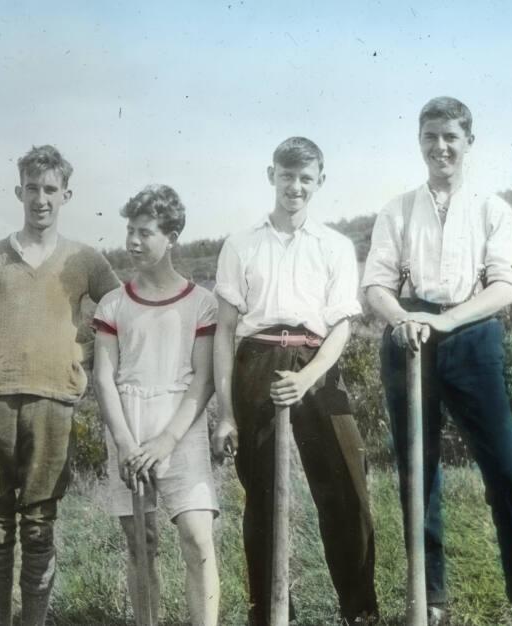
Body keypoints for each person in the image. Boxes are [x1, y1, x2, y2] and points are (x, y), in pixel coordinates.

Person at [362, 96, 512, 626]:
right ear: (419, 141)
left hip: (472, 338)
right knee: (419, 472)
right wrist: (402, 319)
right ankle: (429, 600)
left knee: (506, 468)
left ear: (468, 142)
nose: (440, 147)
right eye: (430, 136)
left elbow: (507, 285)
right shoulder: (396, 209)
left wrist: (447, 320)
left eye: (450, 137)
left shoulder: (491, 208)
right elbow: (375, 284)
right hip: (408, 337)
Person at [0, 144, 119, 626]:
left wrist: (82, 354)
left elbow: (124, 314)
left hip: (52, 404)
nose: (41, 199)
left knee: (40, 527)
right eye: (33, 189)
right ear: (19, 191)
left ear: (67, 195)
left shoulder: (86, 260)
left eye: (51, 190)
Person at [212, 137, 379, 626]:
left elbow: (342, 324)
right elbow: (224, 330)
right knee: (261, 496)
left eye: (306, 178)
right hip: (257, 361)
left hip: (316, 361)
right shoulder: (240, 244)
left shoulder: (335, 246)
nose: (296, 187)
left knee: (348, 486)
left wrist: (307, 377)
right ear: (272, 176)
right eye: (287, 176)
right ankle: (269, 613)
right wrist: (225, 412)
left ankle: (360, 612)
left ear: (320, 182)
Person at [93, 184, 220, 626]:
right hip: (128, 426)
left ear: (172, 236)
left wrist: (167, 439)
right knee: (140, 544)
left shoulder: (201, 303)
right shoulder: (114, 303)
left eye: (145, 232)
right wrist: (126, 443)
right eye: (130, 230)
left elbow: (203, 380)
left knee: (197, 539)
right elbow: (103, 377)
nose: (132, 241)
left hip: (180, 429)